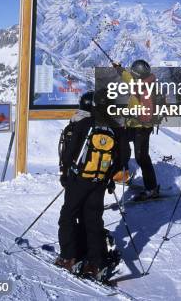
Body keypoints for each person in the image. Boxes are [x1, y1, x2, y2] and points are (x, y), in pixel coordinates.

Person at [56, 90, 122, 280]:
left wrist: (65, 174)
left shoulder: (84, 123)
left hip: (79, 180)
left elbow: (69, 153)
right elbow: (119, 159)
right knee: (93, 220)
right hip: (99, 181)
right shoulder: (113, 127)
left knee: (67, 216)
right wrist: (107, 179)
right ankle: (96, 263)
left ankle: (68, 257)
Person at [113, 59, 160, 201]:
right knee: (120, 143)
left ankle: (151, 189)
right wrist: (119, 69)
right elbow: (128, 78)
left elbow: (146, 116)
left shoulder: (146, 90)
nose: (132, 76)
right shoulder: (139, 82)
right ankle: (122, 174)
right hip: (133, 125)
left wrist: (131, 114)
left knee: (142, 158)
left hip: (142, 128)